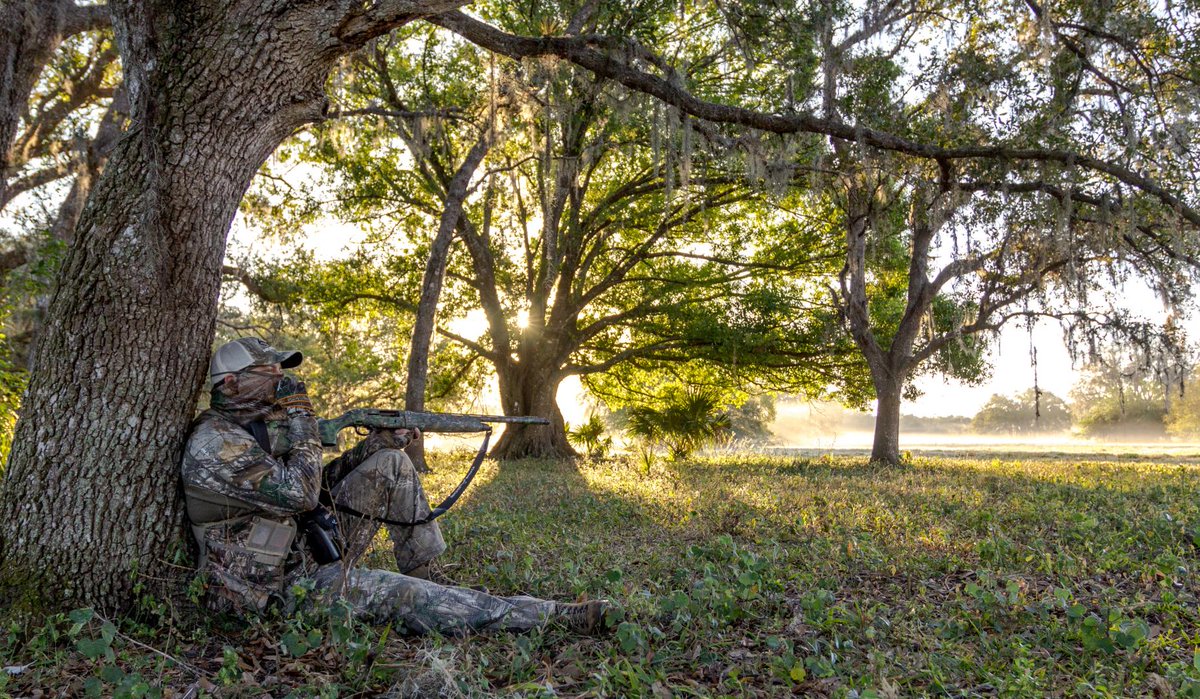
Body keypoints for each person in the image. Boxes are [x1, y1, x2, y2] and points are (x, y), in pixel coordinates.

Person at [181, 337, 605, 635]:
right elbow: (302, 494)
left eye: (281, 373)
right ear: (231, 383)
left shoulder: (259, 427)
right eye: (267, 373)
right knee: (401, 596)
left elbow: (319, 486)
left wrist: (377, 446)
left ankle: (428, 572)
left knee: (390, 462)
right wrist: (305, 424)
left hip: (306, 552)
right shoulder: (214, 444)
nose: (282, 382)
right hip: (270, 592)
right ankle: (548, 616)